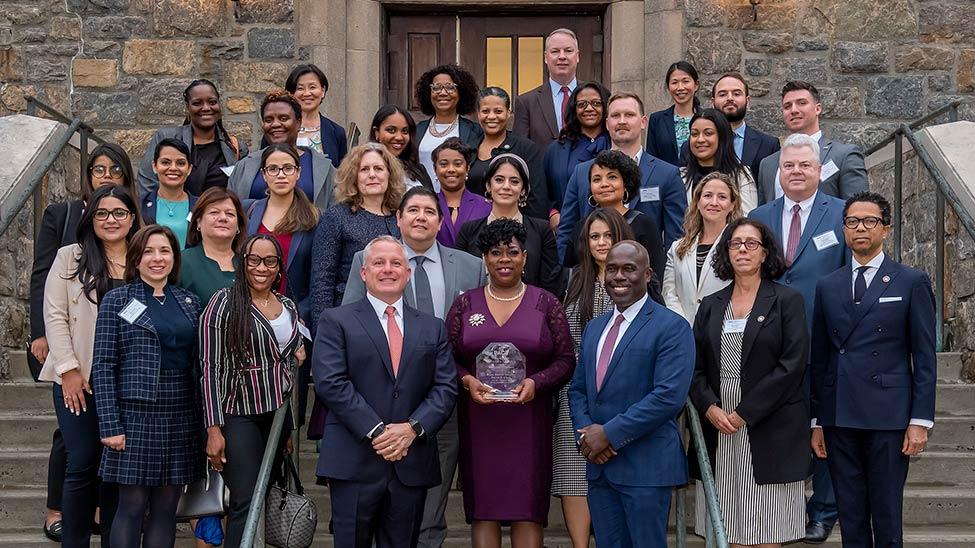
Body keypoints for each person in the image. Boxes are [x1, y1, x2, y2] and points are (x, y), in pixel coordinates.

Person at [341, 186, 485, 548]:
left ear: (440, 221)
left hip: (443, 401)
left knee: (431, 503)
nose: (421, 217)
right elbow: (349, 325)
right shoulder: (370, 261)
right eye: (413, 210)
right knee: (380, 509)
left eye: (429, 211)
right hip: (378, 406)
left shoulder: (470, 266)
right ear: (399, 219)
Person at [810, 192, 936, 548]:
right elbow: (820, 359)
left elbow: (924, 357)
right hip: (838, 416)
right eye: (852, 222)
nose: (860, 228)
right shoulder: (828, 285)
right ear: (844, 229)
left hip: (889, 417)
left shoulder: (911, 281)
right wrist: (817, 420)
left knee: (886, 513)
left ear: (886, 229)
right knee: (850, 515)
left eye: (869, 221)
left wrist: (920, 420)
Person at [314, 235, 458, 548]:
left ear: (408, 273)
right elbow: (331, 382)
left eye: (396, 263)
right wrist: (378, 431)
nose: (388, 269)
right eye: (379, 263)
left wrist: (411, 429)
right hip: (354, 460)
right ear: (364, 273)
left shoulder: (433, 327)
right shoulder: (335, 320)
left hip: (412, 460)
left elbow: (446, 387)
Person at [29, 142, 136, 541]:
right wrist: (70, 370)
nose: (111, 219)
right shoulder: (70, 258)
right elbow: (55, 315)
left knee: (114, 464)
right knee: (82, 459)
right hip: (77, 379)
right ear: (91, 217)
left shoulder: (145, 257)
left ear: (132, 217)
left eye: (120, 213)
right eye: (103, 213)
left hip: (124, 382)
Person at [446, 219, 575, 548]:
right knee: (484, 509)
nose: (504, 259)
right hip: (480, 420)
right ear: (485, 259)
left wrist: (537, 382)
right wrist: (467, 380)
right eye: (495, 252)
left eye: (512, 252)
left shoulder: (546, 303)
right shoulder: (465, 304)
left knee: (527, 508)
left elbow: (565, 360)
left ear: (525, 257)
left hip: (529, 420)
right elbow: (447, 358)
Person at [748, 133, 849, 544]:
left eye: (804, 165)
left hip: (826, 340)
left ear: (819, 170)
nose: (796, 172)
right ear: (779, 172)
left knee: (826, 425)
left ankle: (823, 510)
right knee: (783, 431)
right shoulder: (759, 216)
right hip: (772, 345)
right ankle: (782, 509)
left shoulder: (842, 213)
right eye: (788, 166)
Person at [690, 217, 809, 547]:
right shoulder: (710, 306)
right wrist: (709, 406)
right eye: (735, 243)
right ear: (726, 252)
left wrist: (745, 412)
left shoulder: (787, 301)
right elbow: (695, 368)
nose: (742, 249)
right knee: (727, 526)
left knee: (767, 529)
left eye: (751, 243)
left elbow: (792, 365)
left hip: (769, 426)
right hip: (720, 429)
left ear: (765, 252)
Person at [567, 240, 694, 548]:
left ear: (648, 274)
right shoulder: (595, 328)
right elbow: (579, 390)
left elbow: (667, 397)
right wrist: (587, 437)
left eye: (628, 269)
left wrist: (608, 434)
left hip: (645, 469)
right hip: (600, 467)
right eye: (611, 269)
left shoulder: (672, 327)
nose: (619, 277)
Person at [91, 225, 204, 548]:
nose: (158, 258)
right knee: (132, 505)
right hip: (135, 415)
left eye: (165, 251)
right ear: (136, 259)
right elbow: (102, 365)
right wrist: (110, 424)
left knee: (167, 508)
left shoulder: (189, 302)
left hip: (181, 414)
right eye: (149, 252)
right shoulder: (117, 300)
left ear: (174, 257)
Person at [200, 234, 305, 547]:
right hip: (238, 413)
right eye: (254, 260)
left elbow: (287, 346)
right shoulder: (223, 302)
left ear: (278, 268)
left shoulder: (287, 304)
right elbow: (209, 368)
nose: (262, 267)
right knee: (246, 501)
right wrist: (213, 429)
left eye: (270, 261)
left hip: (277, 414)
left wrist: (300, 348)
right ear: (242, 263)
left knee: (265, 494)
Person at [556, 209, 634, 548]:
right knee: (575, 476)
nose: (602, 243)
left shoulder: (639, 282)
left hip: (622, 398)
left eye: (608, 236)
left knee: (613, 475)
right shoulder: (572, 279)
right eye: (595, 237)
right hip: (575, 394)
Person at [557, 92, 687, 257]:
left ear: (643, 122)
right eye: (615, 116)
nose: (622, 121)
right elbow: (566, 231)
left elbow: (676, 238)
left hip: (646, 276)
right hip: (590, 275)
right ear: (607, 123)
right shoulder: (582, 172)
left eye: (630, 115)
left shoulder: (667, 174)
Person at [455, 154, 562, 297]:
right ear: (488, 185)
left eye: (514, 181)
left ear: (523, 190)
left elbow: (550, 283)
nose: (506, 186)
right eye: (499, 180)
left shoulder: (542, 230)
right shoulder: (468, 230)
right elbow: (460, 279)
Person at [244, 143, 322, 325]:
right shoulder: (248, 210)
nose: (280, 175)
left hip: (293, 317)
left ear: (298, 172)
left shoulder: (315, 218)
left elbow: (319, 277)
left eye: (287, 168)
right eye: (273, 169)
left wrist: (301, 314)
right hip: (250, 315)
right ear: (264, 174)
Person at [561, 150, 665, 286]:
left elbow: (655, 276)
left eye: (612, 177)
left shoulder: (644, 224)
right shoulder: (581, 227)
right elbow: (571, 272)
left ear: (626, 183)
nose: (604, 184)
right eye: (597, 179)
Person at [756, 81, 868, 205]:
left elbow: (859, 209)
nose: (793, 110)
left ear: (818, 108)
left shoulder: (844, 156)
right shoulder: (767, 164)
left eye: (802, 103)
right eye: (787, 106)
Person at [228, 89, 337, 210]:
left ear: (298, 123)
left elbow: (336, 215)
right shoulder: (244, 166)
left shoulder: (324, 169)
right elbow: (231, 210)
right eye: (268, 120)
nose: (275, 124)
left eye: (283, 118)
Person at [137, 79, 246, 197]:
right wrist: (154, 212)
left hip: (219, 214)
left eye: (212, 102)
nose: (206, 108)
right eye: (197, 103)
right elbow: (147, 182)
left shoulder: (235, 148)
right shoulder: (166, 138)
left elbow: (243, 190)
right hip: (175, 213)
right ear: (187, 107)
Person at [663, 172, 742, 324]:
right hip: (682, 330)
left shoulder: (739, 247)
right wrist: (683, 325)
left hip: (724, 329)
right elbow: (669, 292)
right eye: (707, 195)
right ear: (698, 202)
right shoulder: (677, 247)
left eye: (722, 197)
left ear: (732, 205)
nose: (714, 202)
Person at [466, 87, 549, 220]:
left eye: (498, 111)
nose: (491, 116)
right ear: (478, 114)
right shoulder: (468, 148)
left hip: (515, 228)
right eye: (485, 111)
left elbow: (537, 199)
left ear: (508, 113)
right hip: (473, 227)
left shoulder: (525, 148)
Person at [544, 81, 611, 230]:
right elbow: (544, 189)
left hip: (612, 227)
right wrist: (552, 213)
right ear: (574, 110)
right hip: (568, 228)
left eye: (596, 103)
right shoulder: (556, 149)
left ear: (606, 107)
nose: (589, 109)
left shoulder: (617, 145)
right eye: (581, 104)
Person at [414, 64, 483, 187]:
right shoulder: (417, 130)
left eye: (450, 87)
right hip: (422, 201)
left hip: (459, 201)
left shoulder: (474, 131)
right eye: (436, 87)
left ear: (461, 92)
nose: (443, 93)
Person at [514, 28, 581, 152]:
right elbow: (520, 150)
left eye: (568, 51)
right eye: (555, 51)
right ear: (546, 57)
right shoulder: (526, 102)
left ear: (577, 56)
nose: (562, 56)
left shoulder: (594, 96)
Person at [682, 108, 757, 213]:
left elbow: (748, 217)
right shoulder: (679, 177)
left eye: (708, 133)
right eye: (694, 134)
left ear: (722, 137)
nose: (700, 139)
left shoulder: (742, 176)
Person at [180, 187, 246, 306]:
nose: (223, 218)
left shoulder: (249, 263)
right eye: (214, 212)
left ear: (238, 226)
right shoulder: (181, 262)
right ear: (198, 222)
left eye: (230, 214)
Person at [273, 63, 347, 167]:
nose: (307, 93)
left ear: (323, 91)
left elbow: (342, 175)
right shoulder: (276, 129)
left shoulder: (336, 132)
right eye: (300, 88)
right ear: (291, 93)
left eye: (312, 87)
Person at [710, 72, 780, 182]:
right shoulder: (697, 145)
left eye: (736, 94)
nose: (730, 98)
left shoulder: (769, 146)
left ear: (748, 101)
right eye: (722, 94)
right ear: (713, 102)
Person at [430, 137, 491, 248]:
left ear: (467, 168)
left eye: (457, 164)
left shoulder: (485, 206)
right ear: (435, 169)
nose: (451, 169)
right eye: (444, 164)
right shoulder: (428, 204)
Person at [141, 138, 199, 248]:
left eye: (180, 163)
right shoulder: (140, 205)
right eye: (165, 162)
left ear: (189, 169)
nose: (173, 168)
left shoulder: (201, 206)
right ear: (154, 166)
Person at [646, 61, 700, 167]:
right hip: (666, 181)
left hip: (701, 181)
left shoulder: (707, 118)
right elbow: (651, 159)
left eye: (685, 81)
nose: (680, 87)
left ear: (696, 85)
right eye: (674, 82)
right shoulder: (657, 120)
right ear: (668, 87)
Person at [370, 104, 434, 189]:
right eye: (391, 130)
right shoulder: (366, 171)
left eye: (405, 131)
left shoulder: (418, 170)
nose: (399, 137)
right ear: (376, 132)